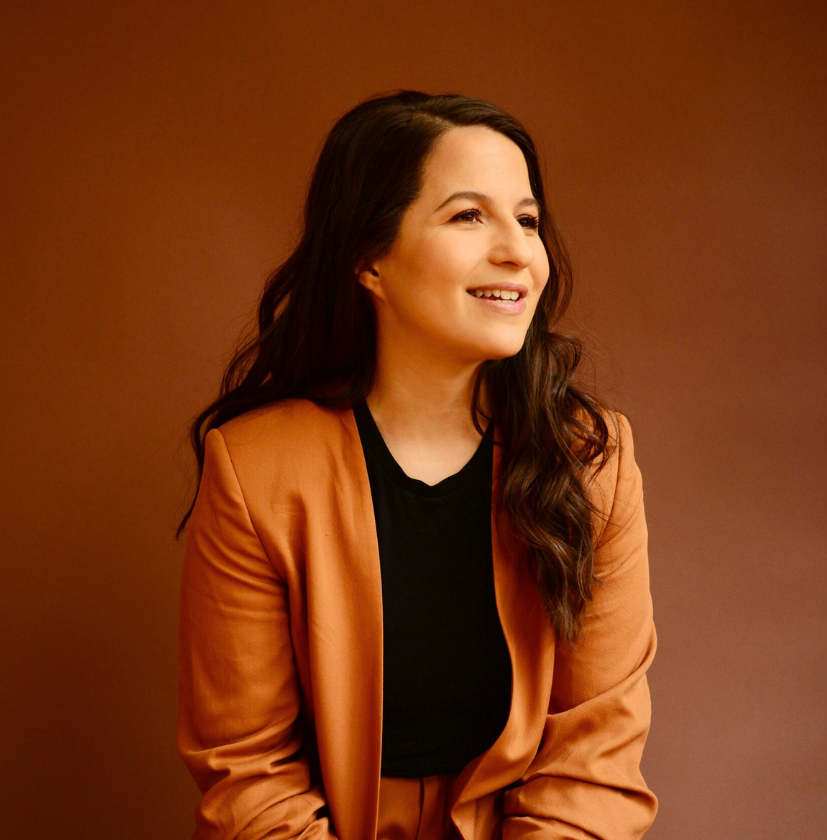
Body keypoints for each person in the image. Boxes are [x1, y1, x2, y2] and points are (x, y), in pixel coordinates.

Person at [175, 89, 658, 840]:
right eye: (469, 216)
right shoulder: (255, 469)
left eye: (527, 220)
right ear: (370, 260)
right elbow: (248, 772)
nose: (517, 252)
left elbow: (593, 757)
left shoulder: (592, 460)